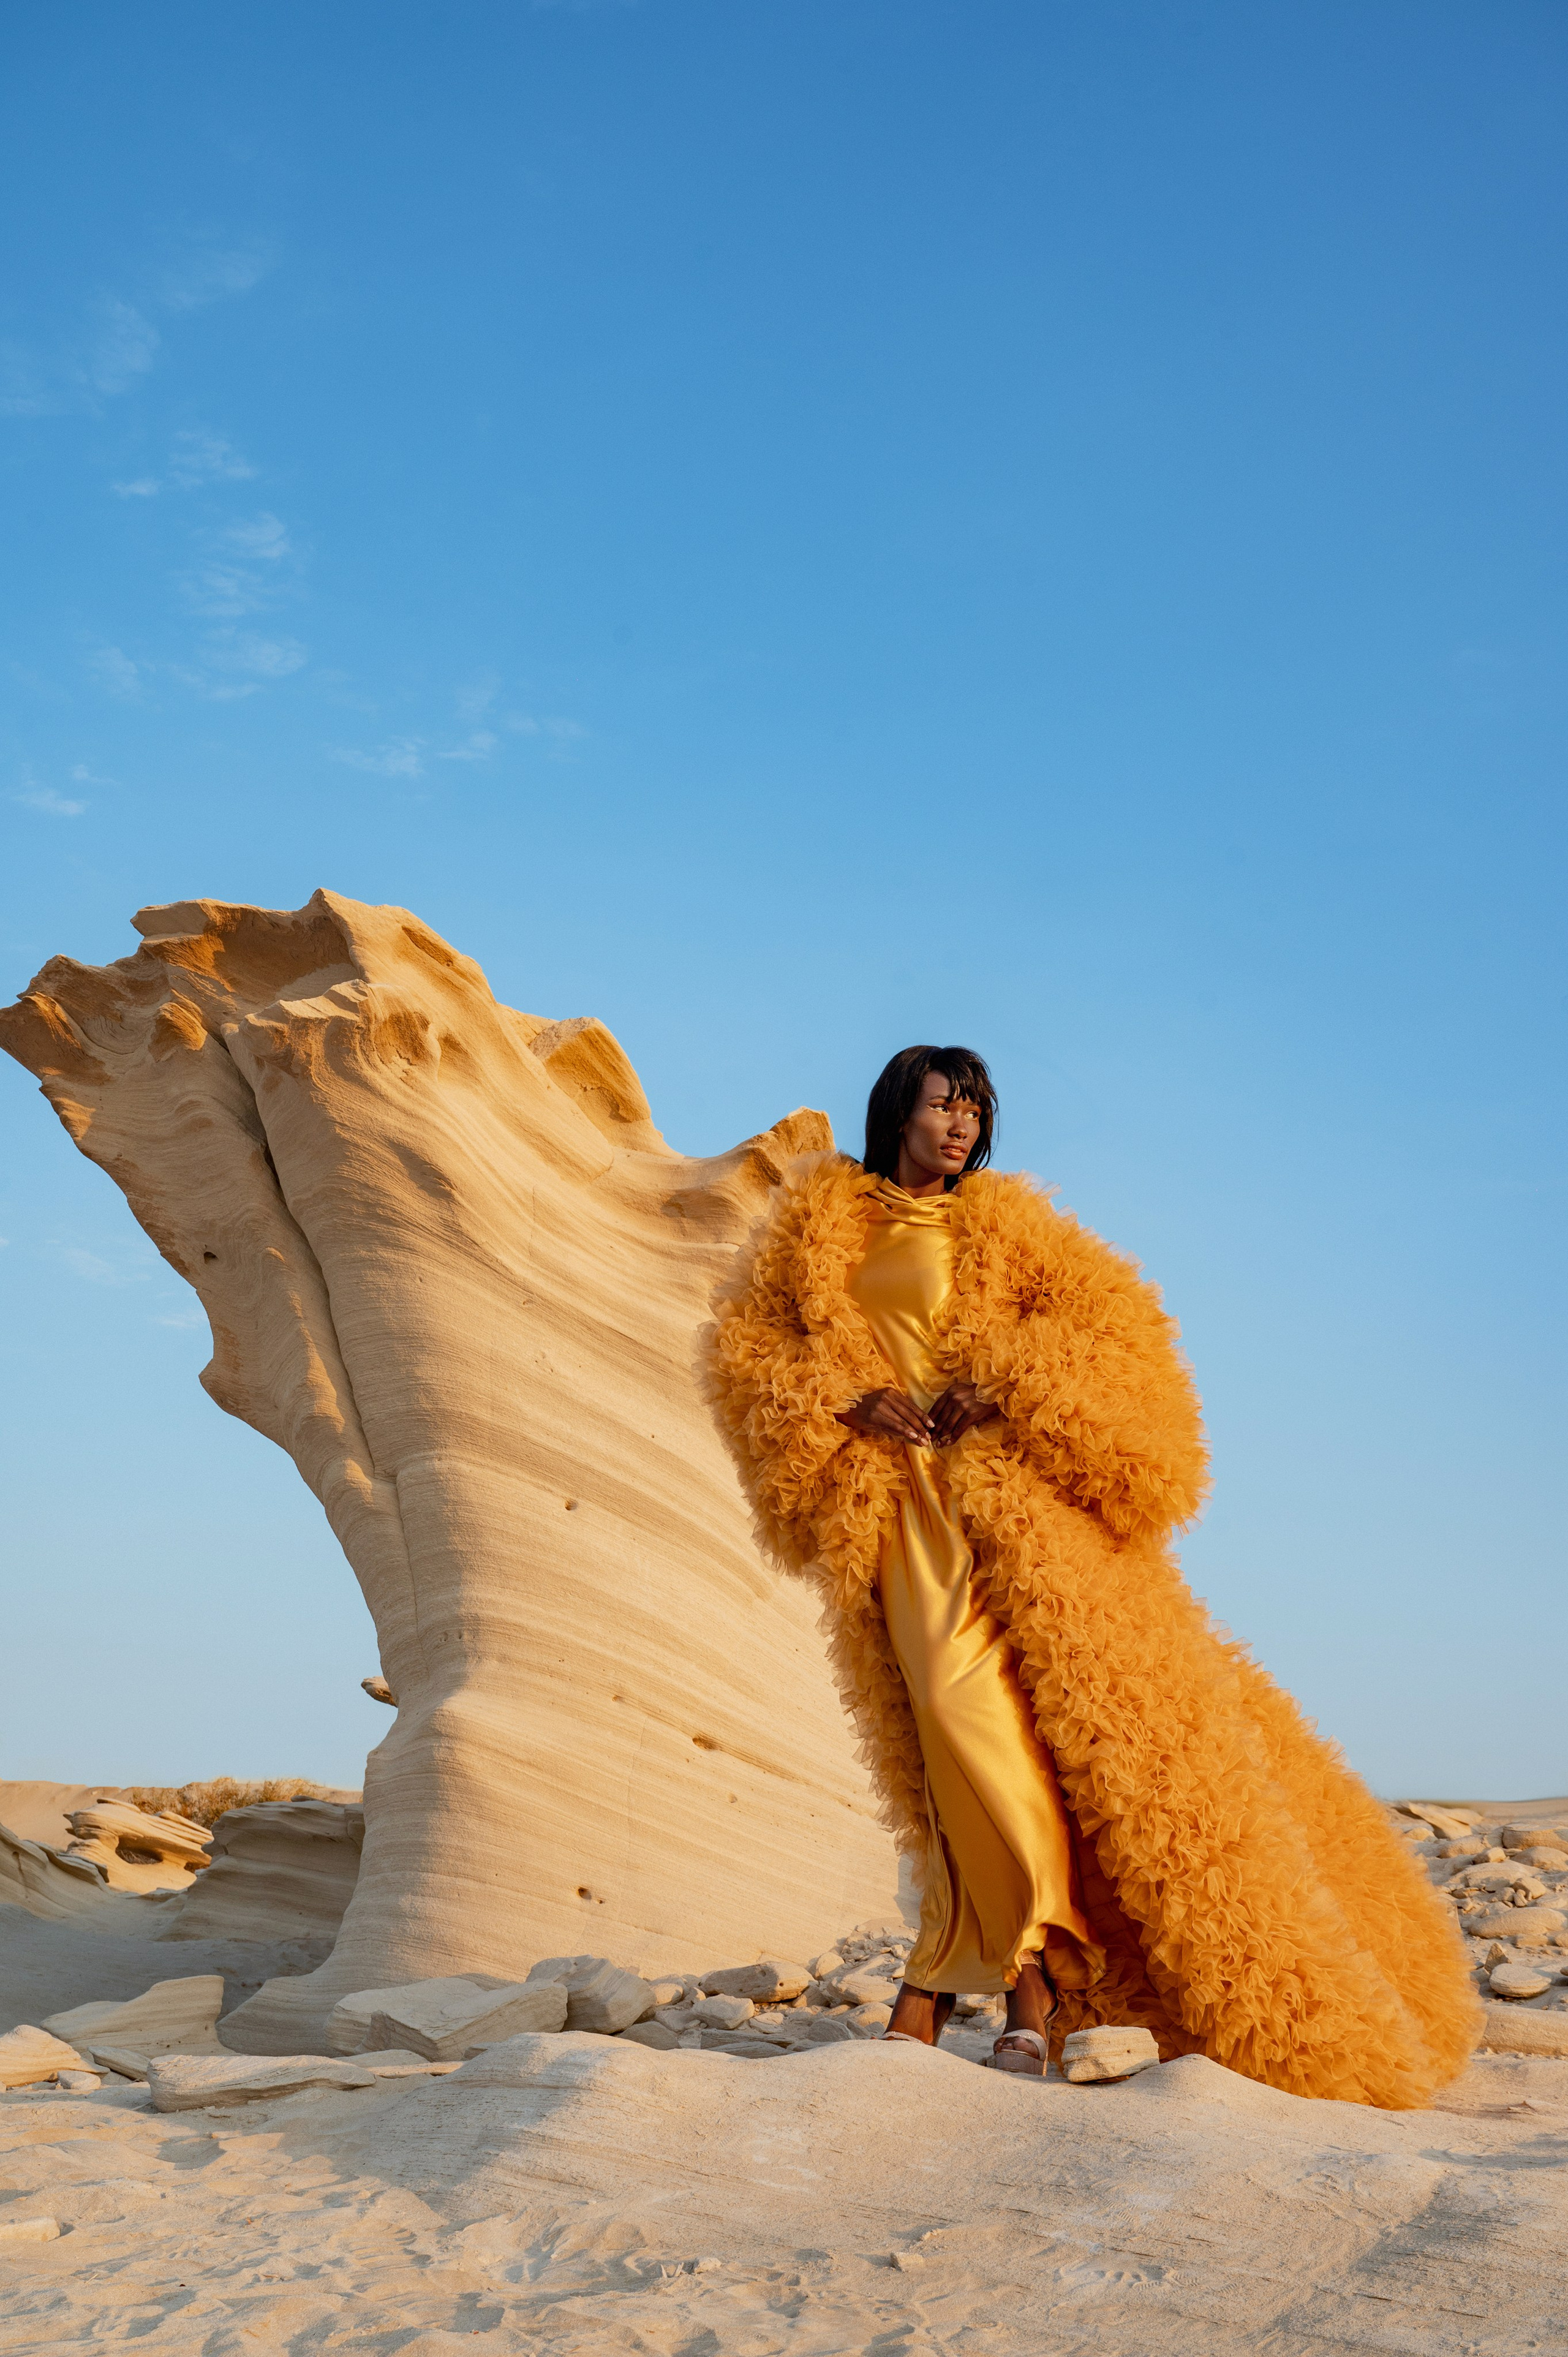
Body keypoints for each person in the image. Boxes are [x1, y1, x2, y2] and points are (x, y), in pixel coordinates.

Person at [709, 1045, 1477, 2106]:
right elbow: (747, 1356)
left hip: (1008, 1526)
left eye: (977, 1109)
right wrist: (844, 1399)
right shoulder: (813, 1231)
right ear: (899, 1110)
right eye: (946, 1104)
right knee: (946, 1746)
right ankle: (988, 1992)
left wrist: (1008, 1383)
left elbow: (1118, 1338)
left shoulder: (1009, 1226)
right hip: (896, 1516)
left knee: (1006, 1747)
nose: (964, 1125)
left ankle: (972, 1998)